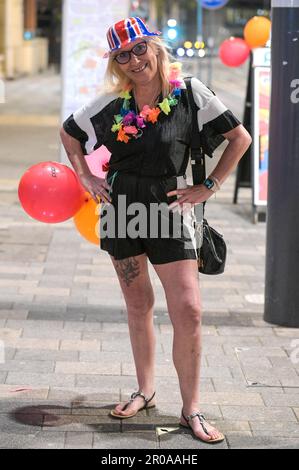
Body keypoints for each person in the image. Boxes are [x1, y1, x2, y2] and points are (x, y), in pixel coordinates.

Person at [60, 16, 252, 444]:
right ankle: (145, 391)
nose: (133, 60)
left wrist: (209, 186)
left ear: (155, 47)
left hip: (170, 205)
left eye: (139, 48)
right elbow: (69, 133)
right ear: (116, 62)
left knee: (188, 309)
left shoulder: (190, 95)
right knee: (138, 303)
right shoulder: (112, 106)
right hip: (122, 207)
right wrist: (86, 179)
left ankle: (191, 409)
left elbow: (240, 138)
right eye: (122, 55)